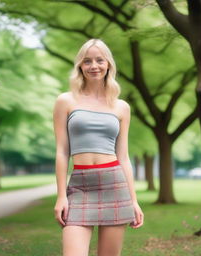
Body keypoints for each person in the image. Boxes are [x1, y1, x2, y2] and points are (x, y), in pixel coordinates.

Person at [53, 38, 144, 256]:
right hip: (80, 187)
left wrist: (134, 200)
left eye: (99, 60)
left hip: (114, 185)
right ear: (80, 66)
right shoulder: (65, 101)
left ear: (108, 65)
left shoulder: (122, 107)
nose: (94, 66)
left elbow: (123, 156)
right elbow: (62, 152)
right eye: (87, 61)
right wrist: (61, 196)